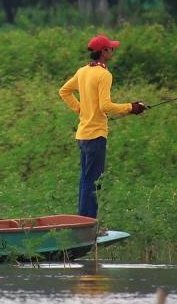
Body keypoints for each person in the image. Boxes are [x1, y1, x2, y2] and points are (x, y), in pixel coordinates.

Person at [58, 34, 146, 219]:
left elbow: (64, 91)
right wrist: (132, 107)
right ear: (103, 52)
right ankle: (90, 225)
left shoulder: (82, 71)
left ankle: (83, 222)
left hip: (82, 136)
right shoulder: (104, 74)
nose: (113, 50)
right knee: (94, 182)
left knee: (85, 180)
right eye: (110, 48)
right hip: (96, 136)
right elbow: (105, 106)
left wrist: (80, 109)